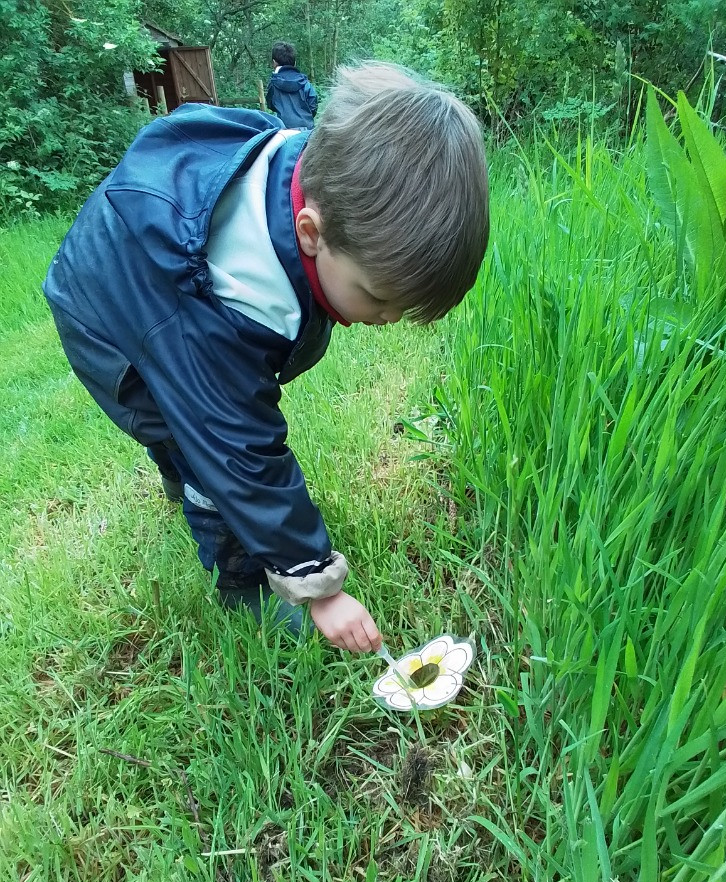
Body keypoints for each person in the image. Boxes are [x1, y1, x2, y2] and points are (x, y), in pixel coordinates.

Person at [42, 62, 489, 653]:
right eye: (378, 298)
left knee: (190, 421)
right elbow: (240, 445)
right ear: (310, 231)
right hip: (106, 317)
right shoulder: (226, 299)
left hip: (149, 290)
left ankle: (181, 473)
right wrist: (317, 584)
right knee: (200, 447)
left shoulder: (322, 179)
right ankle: (242, 583)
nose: (384, 320)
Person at [266, 41, 318, 129]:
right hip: (306, 130)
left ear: (274, 62)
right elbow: (313, 106)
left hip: (283, 131)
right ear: (295, 63)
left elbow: (271, 105)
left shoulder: (273, 84)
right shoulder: (305, 83)